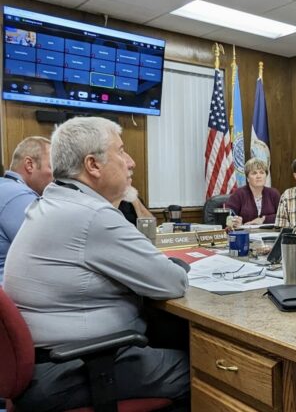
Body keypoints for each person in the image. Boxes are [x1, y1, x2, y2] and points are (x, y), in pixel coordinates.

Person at [4, 117, 190, 411]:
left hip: (44, 364)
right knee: (203, 370)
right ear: (93, 165)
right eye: (122, 151)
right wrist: (179, 266)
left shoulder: (51, 202)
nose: (131, 163)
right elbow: (173, 282)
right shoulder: (92, 215)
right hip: (74, 367)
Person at [0, 136, 53, 284]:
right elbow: (52, 251)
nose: (57, 176)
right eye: (53, 167)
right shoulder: (17, 195)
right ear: (30, 165)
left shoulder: (4, 187)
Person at [227, 158, 281, 226]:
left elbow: (283, 216)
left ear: (266, 176)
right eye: (254, 173)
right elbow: (228, 215)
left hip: (270, 234)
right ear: (247, 178)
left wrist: (263, 219)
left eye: (262, 172)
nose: (258, 176)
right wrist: (236, 222)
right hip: (245, 233)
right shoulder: (239, 194)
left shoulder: (273, 193)